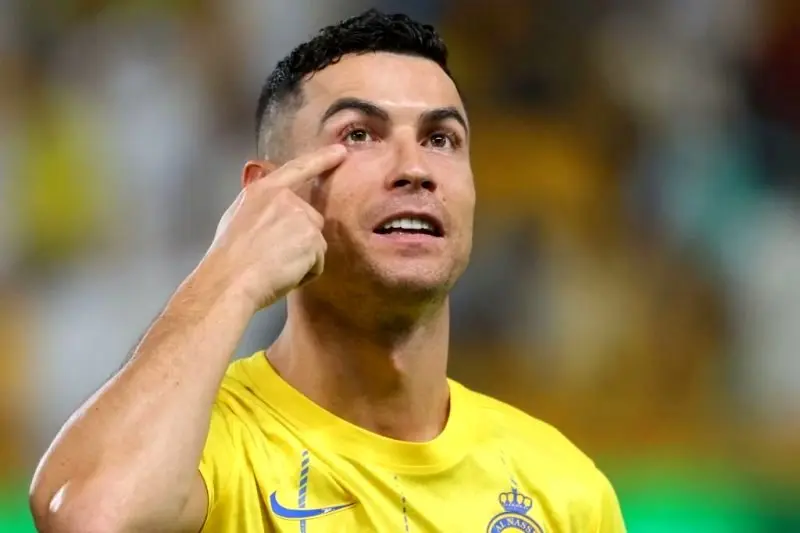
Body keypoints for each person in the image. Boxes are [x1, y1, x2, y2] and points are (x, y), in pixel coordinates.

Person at [30, 9, 626, 533]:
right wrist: (230, 271)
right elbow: (91, 517)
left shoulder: (563, 491)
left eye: (442, 139)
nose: (415, 168)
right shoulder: (205, 448)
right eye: (360, 134)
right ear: (271, 193)